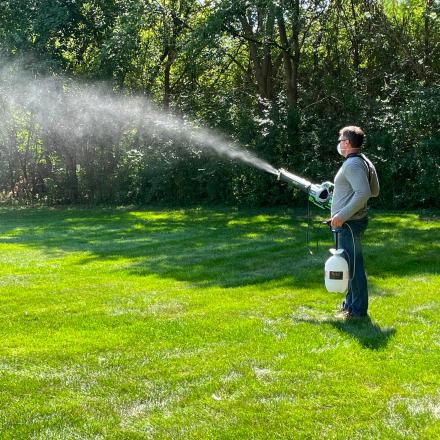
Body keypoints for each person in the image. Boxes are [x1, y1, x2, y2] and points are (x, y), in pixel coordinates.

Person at [330, 126, 380, 318]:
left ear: (347, 143)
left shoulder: (352, 164)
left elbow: (365, 193)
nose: (339, 142)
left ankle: (358, 311)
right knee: (349, 265)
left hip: (349, 224)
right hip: (352, 222)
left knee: (354, 267)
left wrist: (342, 215)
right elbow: (374, 190)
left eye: (340, 138)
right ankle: (350, 305)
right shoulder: (363, 160)